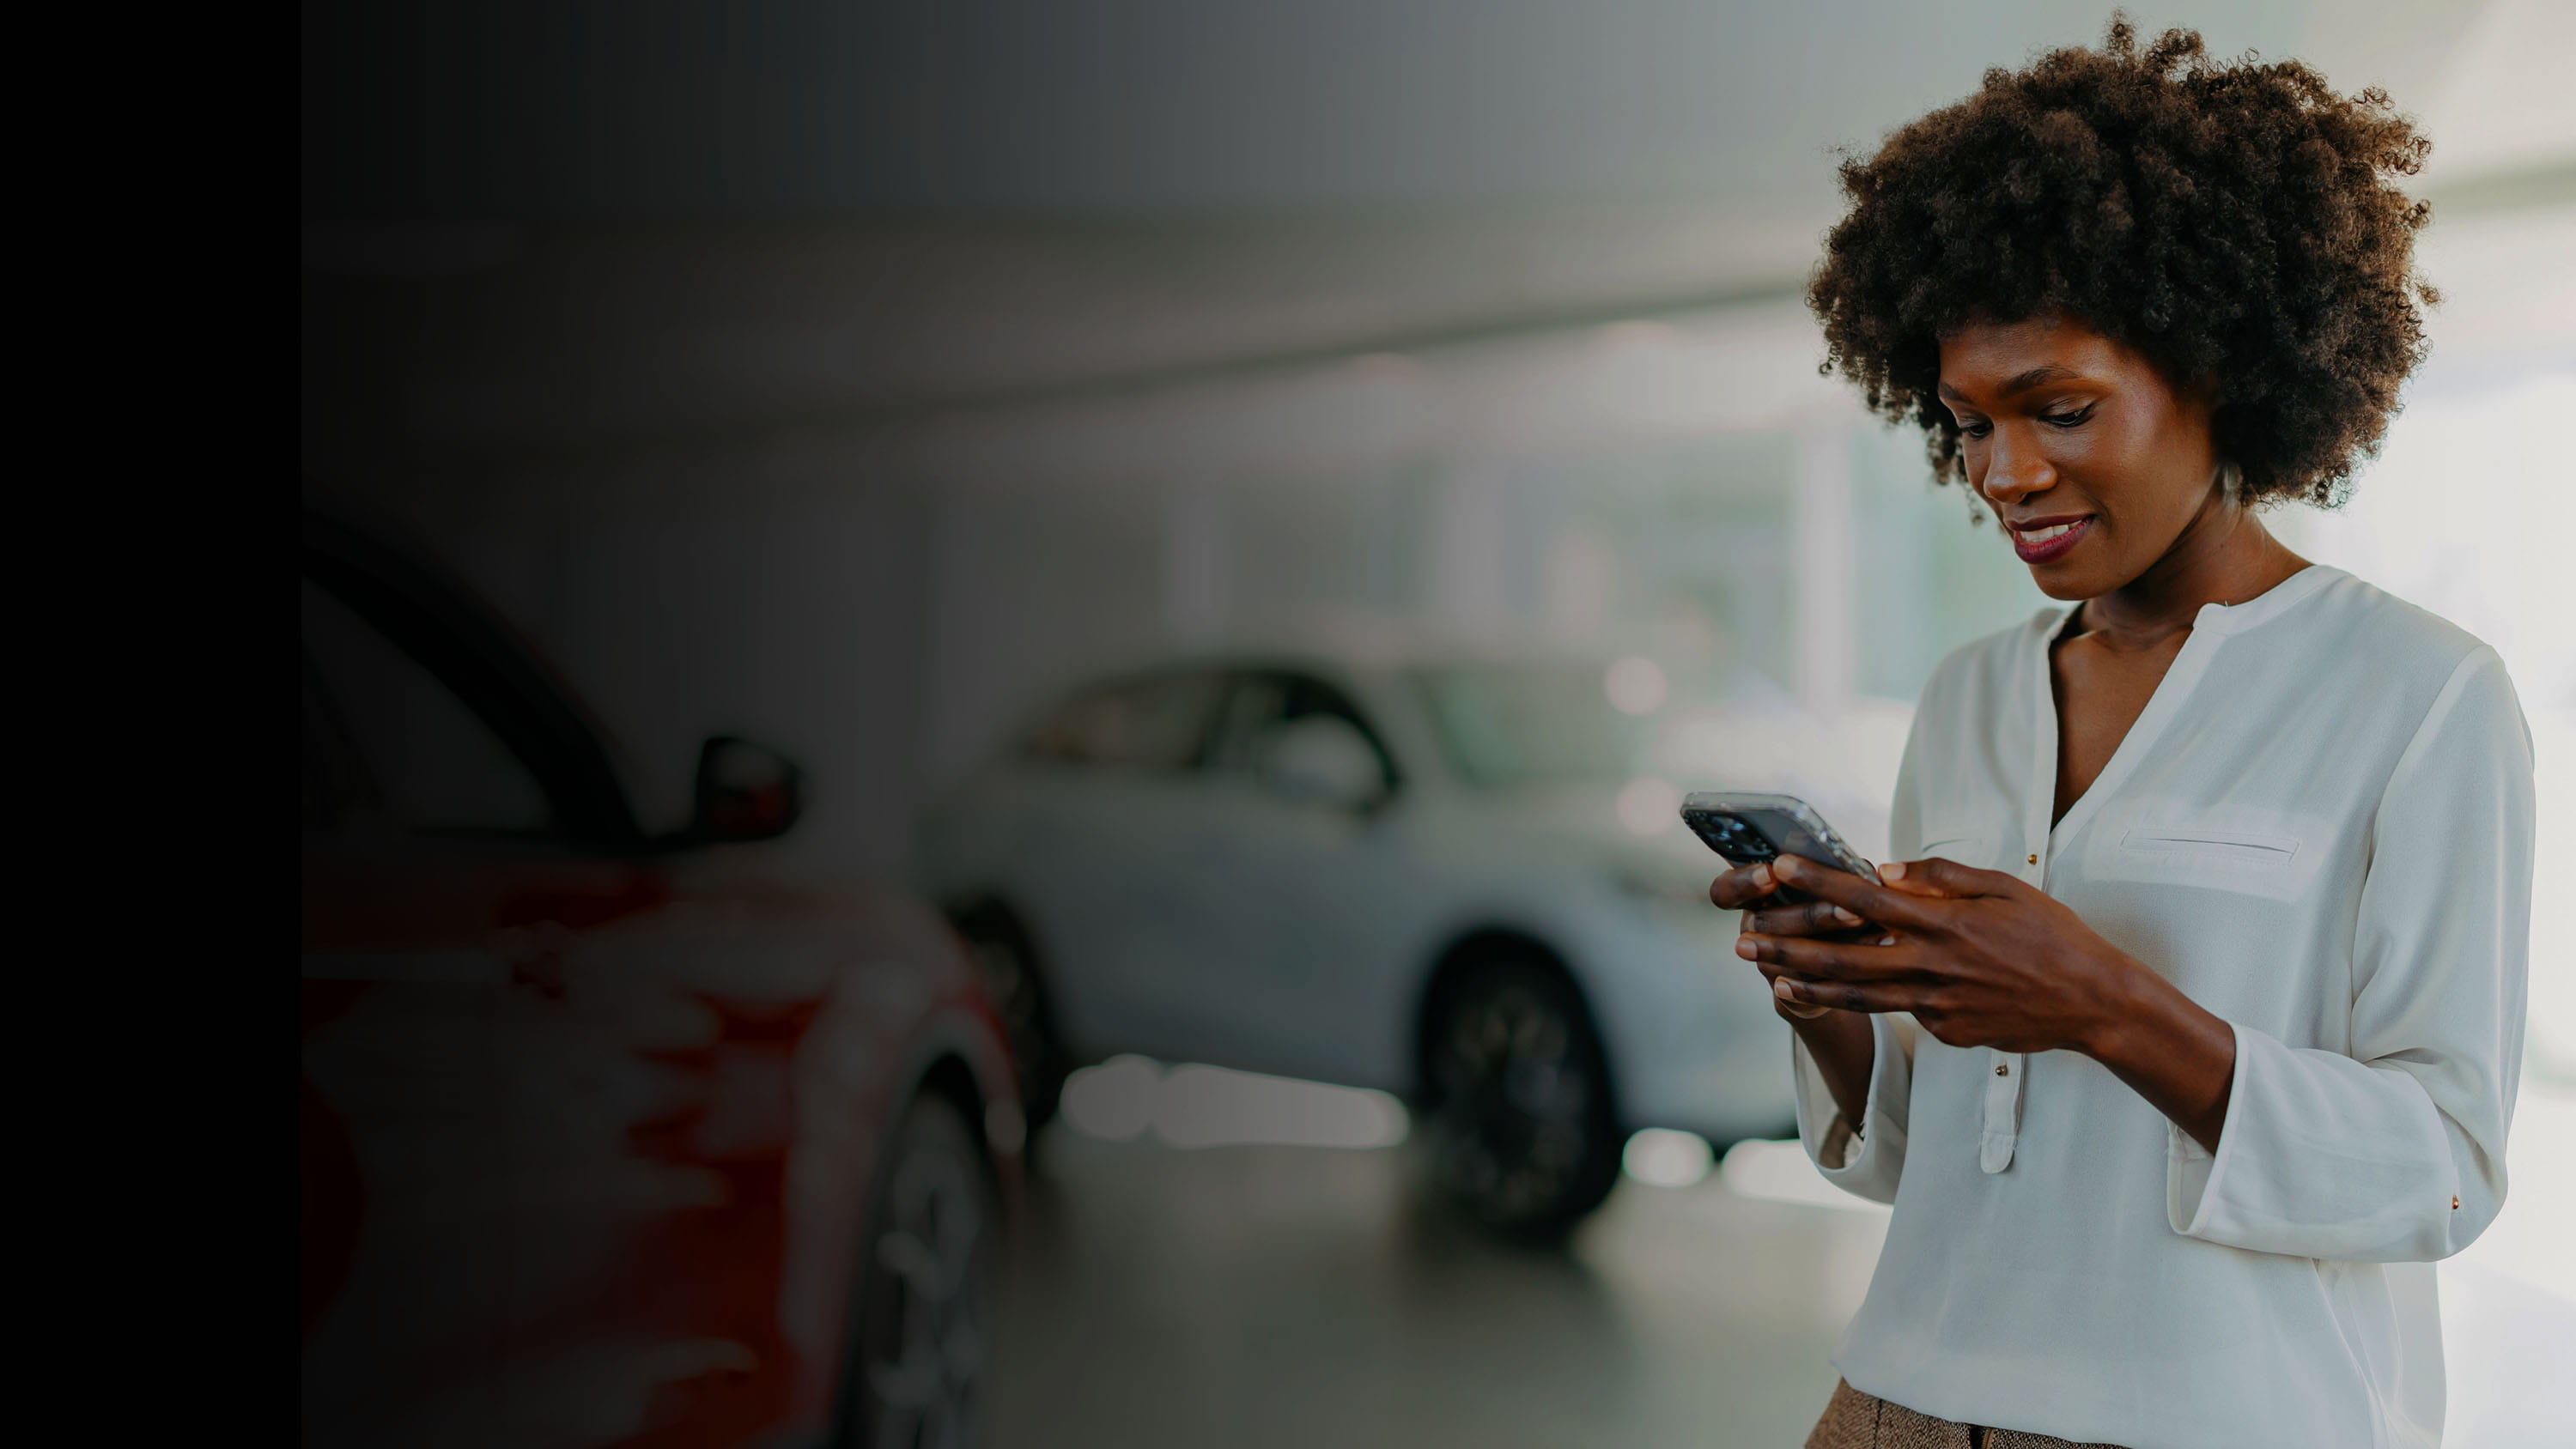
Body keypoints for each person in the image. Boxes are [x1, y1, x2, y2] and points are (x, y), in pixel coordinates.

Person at [1705, 21, 2534, 1449]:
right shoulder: (1971, 692)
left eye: (2062, 409)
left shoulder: (2421, 694)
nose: (2004, 473)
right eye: (1966, 422)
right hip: (1901, 1399)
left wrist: (2103, 1002)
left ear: (2228, 370)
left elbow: (2443, 1171)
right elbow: (1914, 1149)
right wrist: (1831, 995)